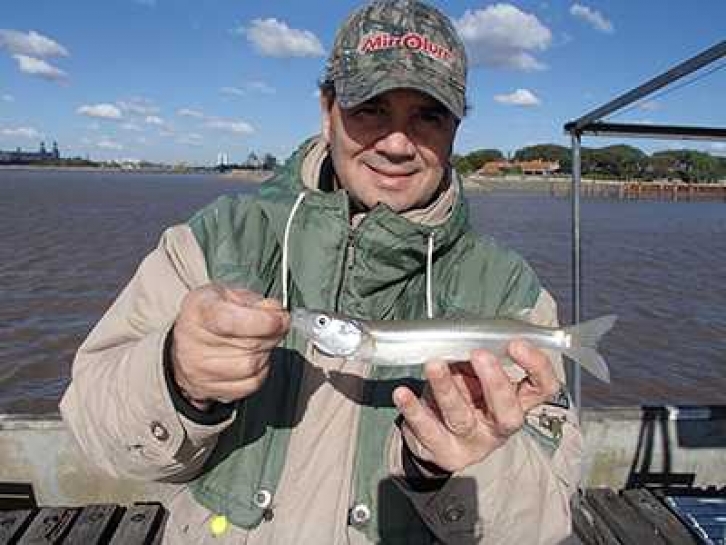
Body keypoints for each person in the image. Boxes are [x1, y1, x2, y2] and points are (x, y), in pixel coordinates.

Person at [60, 0, 582, 543]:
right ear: (327, 107)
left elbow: (544, 523)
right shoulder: (215, 238)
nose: (398, 144)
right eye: (371, 108)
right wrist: (176, 377)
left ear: (455, 129)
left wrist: (448, 468)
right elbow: (93, 433)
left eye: (428, 115)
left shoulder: (508, 287)